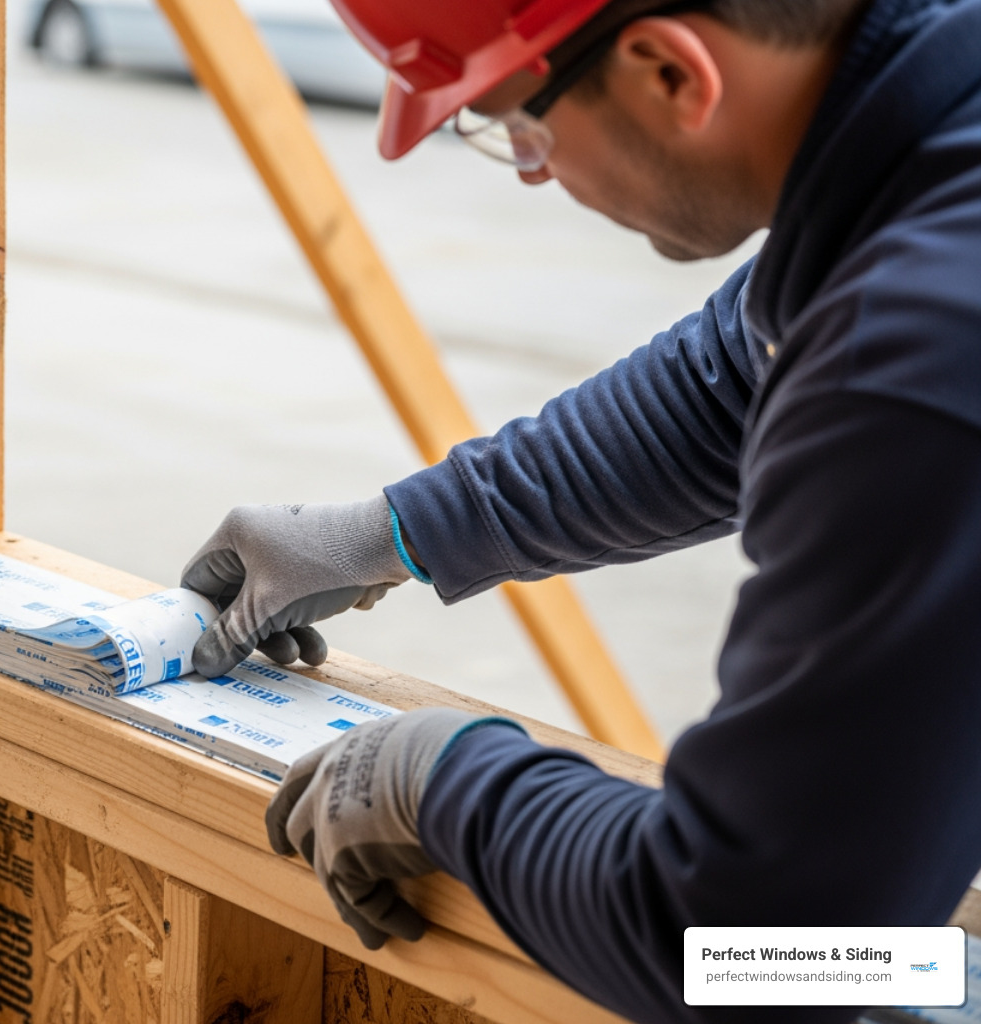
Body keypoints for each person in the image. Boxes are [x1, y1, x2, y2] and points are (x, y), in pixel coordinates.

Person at [177, 0, 981, 1020]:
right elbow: (731, 380)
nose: (533, 170)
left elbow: (762, 946)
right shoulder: (918, 151)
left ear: (670, 73)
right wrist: (391, 534)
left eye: (521, 124)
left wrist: (444, 777)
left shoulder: (922, 350)